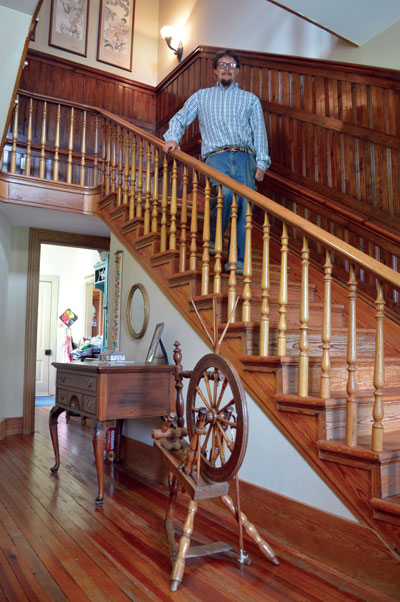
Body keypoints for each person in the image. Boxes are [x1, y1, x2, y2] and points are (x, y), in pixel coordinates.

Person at [162, 49, 271, 273]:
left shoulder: (250, 99)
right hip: (216, 157)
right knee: (226, 194)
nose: (227, 68)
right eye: (222, 64)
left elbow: (259, 131)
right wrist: (173, 137)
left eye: (231, 65)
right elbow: (181, 118)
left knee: (244, 207)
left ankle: (238, 263)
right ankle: (212, 239)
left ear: (237, 71)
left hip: (245, 157)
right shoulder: (202, 96)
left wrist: (262, 163)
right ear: (215, 70)